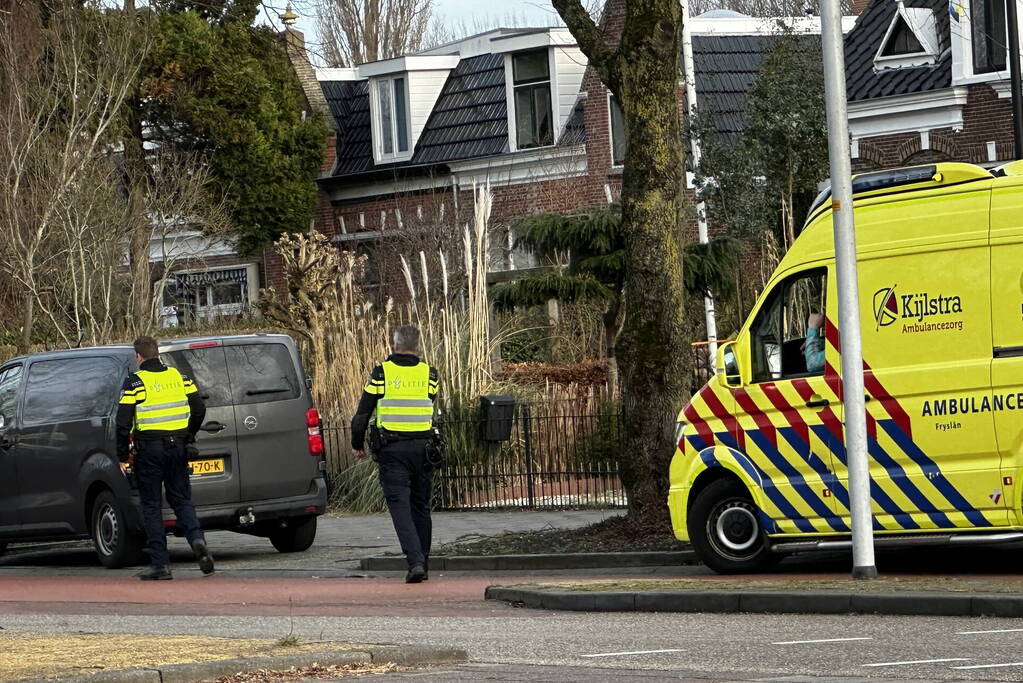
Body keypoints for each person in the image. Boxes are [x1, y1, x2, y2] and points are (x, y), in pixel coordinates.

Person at [116, 336, 214, 580]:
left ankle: (161, 565)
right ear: (157, 353)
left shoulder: (135, 382)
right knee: (181, 499)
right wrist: (188, 435)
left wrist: (122, 457)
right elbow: (199, 409)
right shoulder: (179, 377)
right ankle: (197, 540)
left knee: (151, 505)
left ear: (138, 356)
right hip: (178, 447)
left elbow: (122, 423)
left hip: (149, 450)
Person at [352, 325, 439, 584]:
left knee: (400, 506)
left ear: (395, 344)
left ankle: (415, 562)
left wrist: (357, 444)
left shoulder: (382, 373)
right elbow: (428, 403)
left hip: (393, 450)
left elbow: (362, 414)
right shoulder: (429, 374)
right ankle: (423, 559)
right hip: (424, 449)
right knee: (421, 506)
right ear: (418, 346)